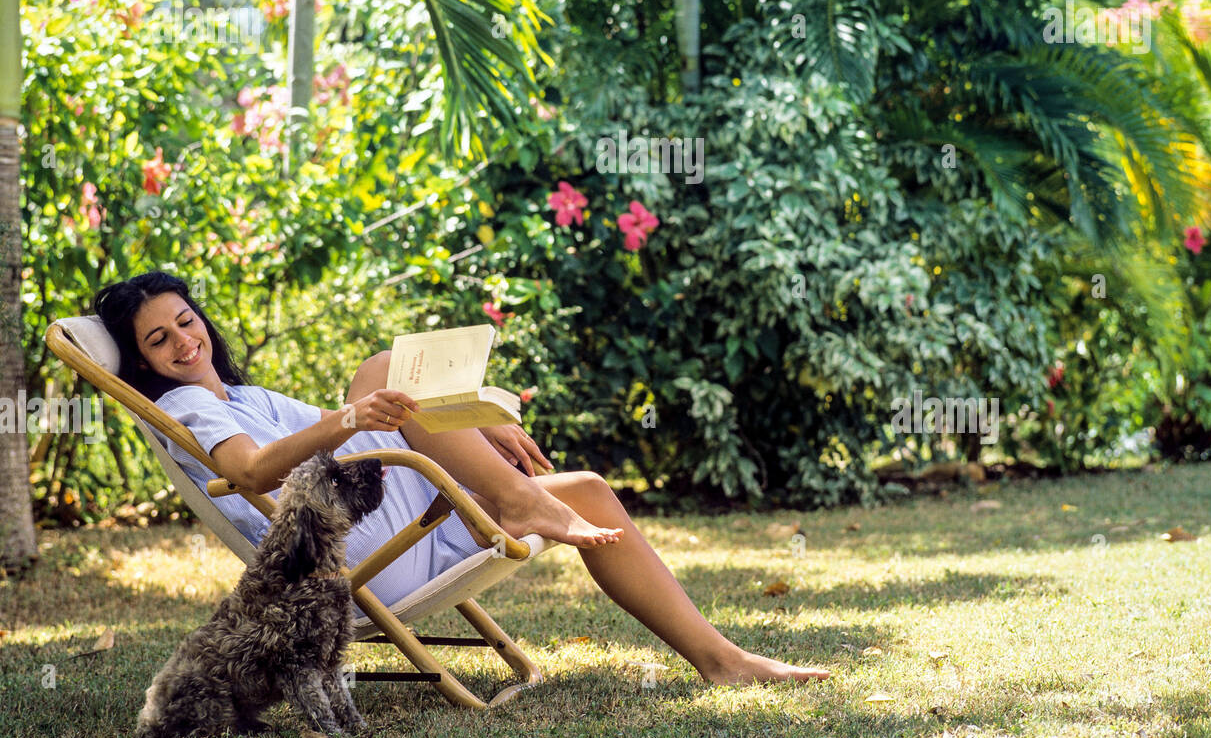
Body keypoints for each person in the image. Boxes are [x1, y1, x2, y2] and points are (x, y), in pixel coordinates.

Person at [94, 272, 830, 686]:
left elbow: (347, 419)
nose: (184, 342)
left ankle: (721, 660)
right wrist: (358, 417)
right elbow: (254, 470)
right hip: (354, 547)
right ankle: (516, 500)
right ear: (142, 363)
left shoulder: (238, 395)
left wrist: (472, 419)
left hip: (388, 513)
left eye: (187, 321)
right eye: (159, 340)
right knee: (387, 371)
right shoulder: (188, 404)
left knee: (591, 491)